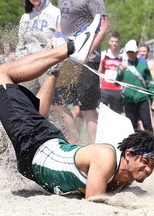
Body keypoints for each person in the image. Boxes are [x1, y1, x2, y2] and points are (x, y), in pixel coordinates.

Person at [0, 23, 154, 199]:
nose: (148, 170)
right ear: (128, 154)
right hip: (36, 146)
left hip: (48, 146)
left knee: (38, 116)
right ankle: (69, 48)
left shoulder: (126, 178)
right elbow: (94, 200)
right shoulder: (105, 157)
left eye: (153, 165)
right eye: (146, 162)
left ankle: (55, 69)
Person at [51, 0, 109, 143]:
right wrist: (53, 42)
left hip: (87, 59)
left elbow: (104, 26)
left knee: (88, 108)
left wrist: (88, 52)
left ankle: (96, 149)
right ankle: (76, 145)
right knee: (57, 103)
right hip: (67, 57)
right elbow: (62, 23)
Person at [14, 0, 60, 94]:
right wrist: (17, 65)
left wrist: (53, 42)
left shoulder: (56, 13)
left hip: (49, 65)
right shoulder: (25, 17)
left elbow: (64, 38)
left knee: (50, 104)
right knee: (28, 103)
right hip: (28, 66)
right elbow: (21, 44)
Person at [116, 39, 154, 134]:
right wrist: (120, 72)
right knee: (132, 126)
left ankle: (151, 146)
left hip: (142, 99)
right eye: (129, 52)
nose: (131, 54)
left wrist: (153, 98)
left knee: (147, 125)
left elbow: (150, 83)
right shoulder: (122, 66)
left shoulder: (143, 65)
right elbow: (116, 83)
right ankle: (134, 147)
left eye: (133, 52)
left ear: (136, 52)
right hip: (128, 100)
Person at [99, 31, 123, 114]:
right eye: (112, 41)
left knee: (116, 114)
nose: (114, 44)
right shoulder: (103, 54)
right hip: (104, 88)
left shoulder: (122, 55)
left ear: (119, 42)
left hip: (117, 89)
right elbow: (100, 71)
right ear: (109, 42)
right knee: (101, 113)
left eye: (116, 42)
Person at [138, 43, 154, 135]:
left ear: (148, 52)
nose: (142, 53)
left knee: (151, 117)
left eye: (144, 51)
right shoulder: (137, 62)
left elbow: (152, 80)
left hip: (149, 93)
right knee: (140, 119)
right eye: (141, 51)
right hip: (139, 93)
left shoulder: (151, 63)